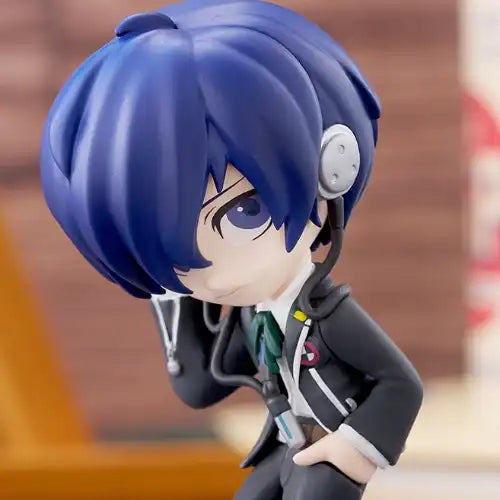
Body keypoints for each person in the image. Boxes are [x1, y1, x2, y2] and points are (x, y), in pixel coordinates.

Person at [40, 1, 424, 498]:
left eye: (246, 210)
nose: (214, 273)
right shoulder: (249, 314)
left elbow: (401, 385)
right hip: (280, 447)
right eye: (177, 242)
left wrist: (354, 450)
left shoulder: (329, 316)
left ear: (333, 169)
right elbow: (199, 387)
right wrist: (163, 278)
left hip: (328, 450)